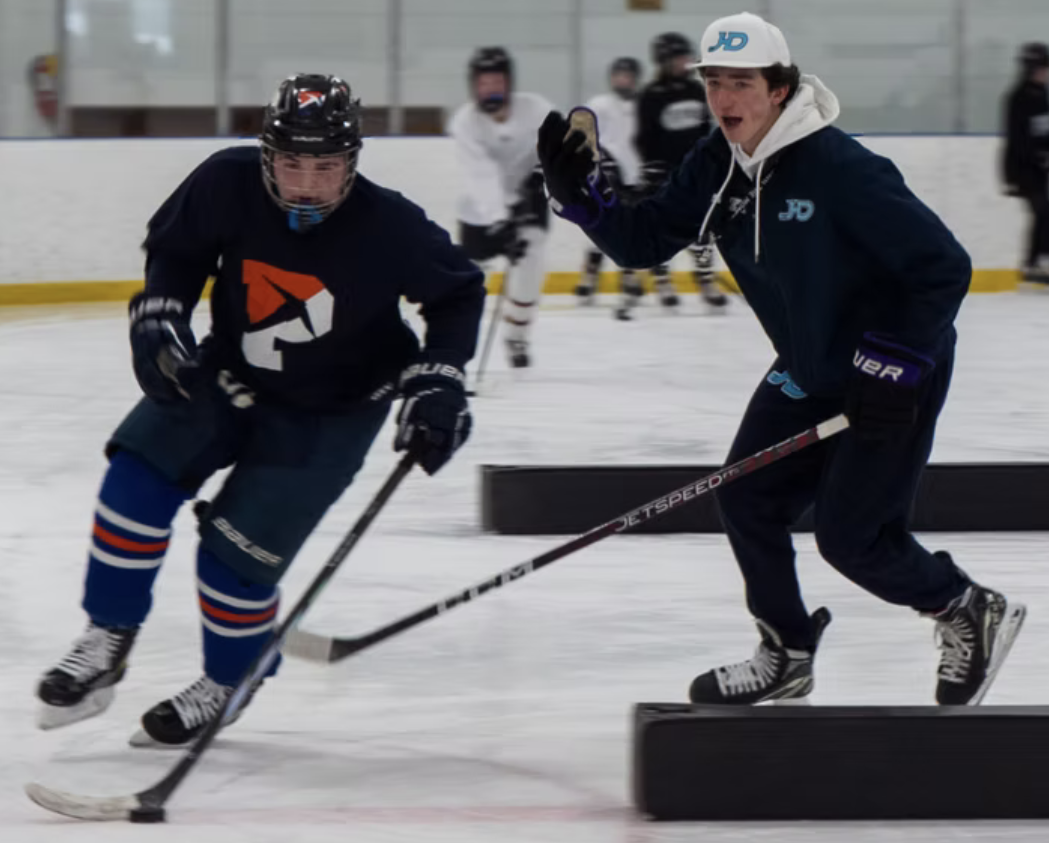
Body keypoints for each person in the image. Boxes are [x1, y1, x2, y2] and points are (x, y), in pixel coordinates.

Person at [538, 12, 1025, 705]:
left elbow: (942, 267)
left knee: (853, 540)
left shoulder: (839, 169)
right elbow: (645, 240)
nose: (724, 98)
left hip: (890, 372)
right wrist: (582, 200)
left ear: (779, 89)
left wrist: (892, 364)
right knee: (747, 499)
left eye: (742, 83)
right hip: (806, 365)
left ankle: (965, 606)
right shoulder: (718, 163)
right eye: (714, 82)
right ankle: (787, 651)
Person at [35, 74, 485, 745]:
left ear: (352, 162)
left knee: (233, 560)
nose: (307, 186)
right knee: (134, 482)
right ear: (267, 155)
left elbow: (457, 294)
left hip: (331, 413)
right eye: (292, 164)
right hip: (226, 373)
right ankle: (108, 634)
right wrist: (160, 315)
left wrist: (439, 380)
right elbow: (179, 252)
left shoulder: (391, 224)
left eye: (326, 168)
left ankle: (228, 680)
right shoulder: (226, 181)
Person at [449, 47, 552, 368]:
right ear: (473, 85)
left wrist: (544, 173)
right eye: (484, 83)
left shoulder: (536, 109)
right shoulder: (465, 122)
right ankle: (455, 341)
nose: (491, 88)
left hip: (529, 201)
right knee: (470, 278)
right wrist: (500, 220)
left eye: (497, 81)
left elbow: (561, 144)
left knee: (530, 262)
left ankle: (517, 335)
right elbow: (480, 175)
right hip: (480, 211)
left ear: (509, 82)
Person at [635, 32, 727, 313]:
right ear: (664, 61)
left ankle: (705, 280)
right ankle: (663, 281)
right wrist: (651, 167)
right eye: (679, 58)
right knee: (662, 228)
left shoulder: (697, 90)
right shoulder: (652, 95)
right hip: (663, 172)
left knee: (702, 229)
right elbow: (644, 136)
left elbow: (705, 129)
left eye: (686, 57)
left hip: (695, 171)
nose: (685, 62)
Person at [574, 56, 647, 320]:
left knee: (631, 231)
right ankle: (590, 276)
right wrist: (598, 165)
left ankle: (629, 278)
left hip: (637, 177)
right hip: (608, 175)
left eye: (626, 76)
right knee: (602, 228)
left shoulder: (643, 105)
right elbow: (587, 138)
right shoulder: (600, 105)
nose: (622, 80)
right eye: (618, 75)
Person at [1002, 42, 1049, 284]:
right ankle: (1033, 264)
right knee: (1042, 211)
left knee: (1044, 212)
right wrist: (1039, 156)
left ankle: (1037, 261)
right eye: (1043, 68)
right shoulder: (1019, 98)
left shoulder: (1042, 95)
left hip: (1039, 167)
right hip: (1023, 168)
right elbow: (1018, 138)